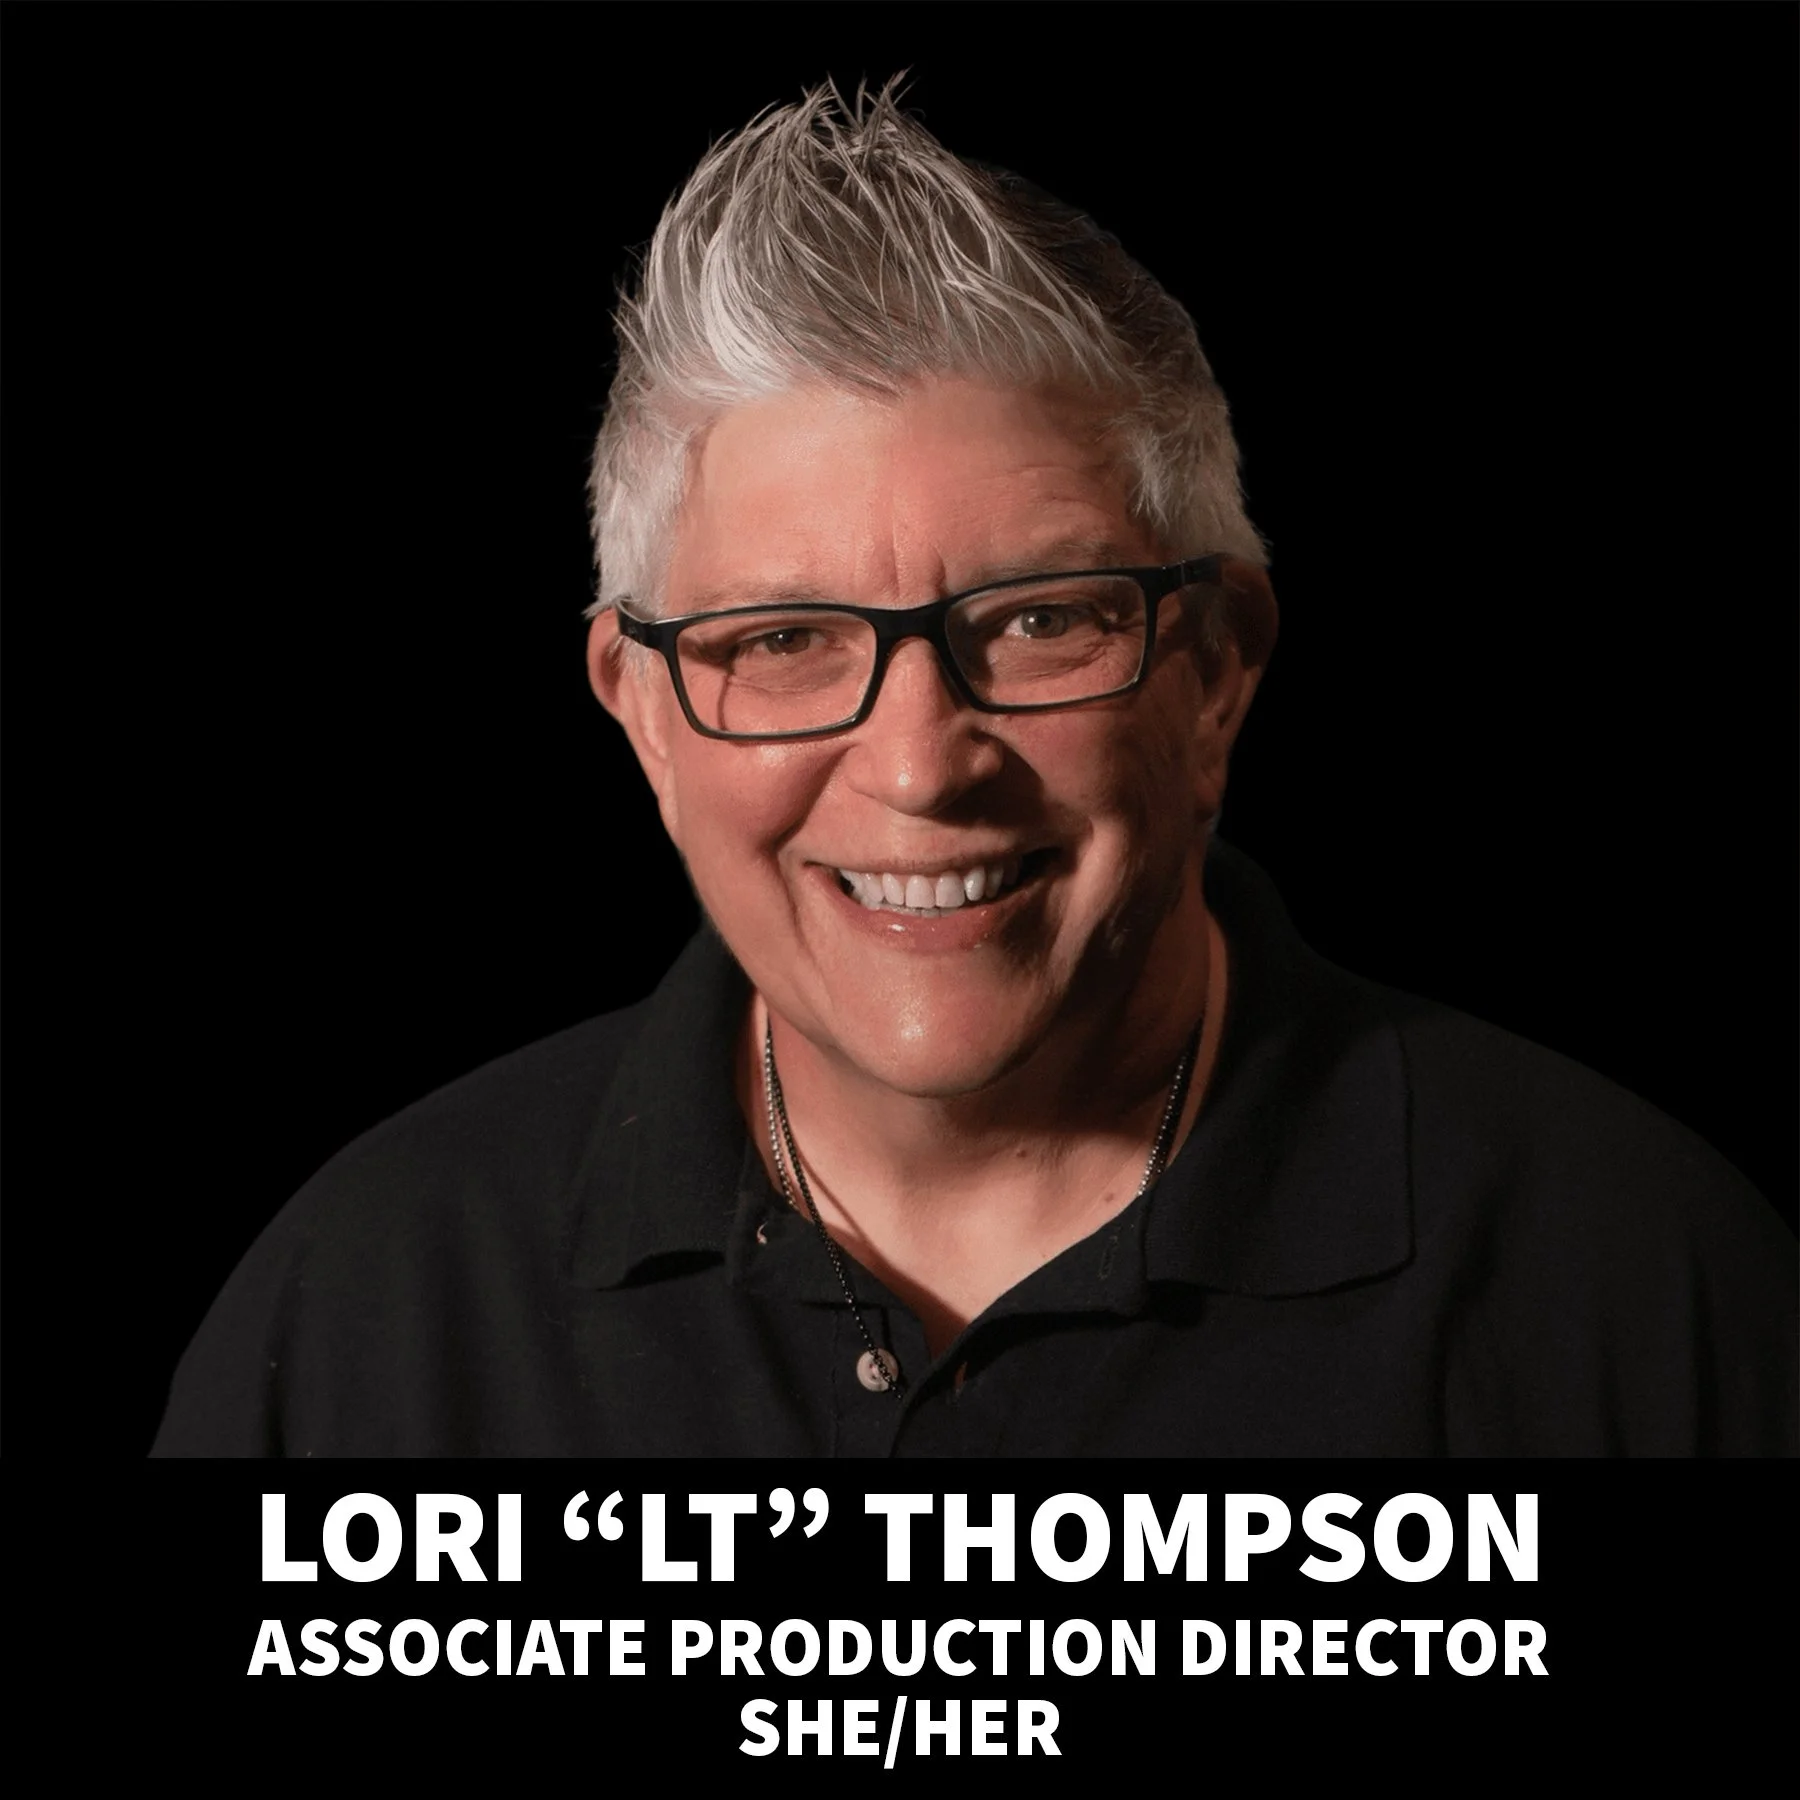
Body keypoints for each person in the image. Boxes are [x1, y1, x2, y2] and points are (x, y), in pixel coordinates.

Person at [152, 82, 1795, 1458]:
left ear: (1218, 668)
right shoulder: (364, 1319)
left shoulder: (1651, 1298)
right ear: (640, 709)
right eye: (782, 641)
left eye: (1035, 622)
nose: (921, 764)